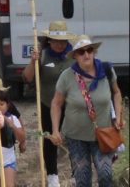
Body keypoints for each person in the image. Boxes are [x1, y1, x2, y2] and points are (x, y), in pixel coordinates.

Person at [50, 36, 123, 187]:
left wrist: (118, 117)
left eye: (89, 50)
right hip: (76, 137)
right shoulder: (67, 76)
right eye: (81, 52)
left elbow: (116, 93)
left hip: (103, 134)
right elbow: (56, 104)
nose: (86, 55)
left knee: (105, 175)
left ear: (94, 52)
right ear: (75, 56)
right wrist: (55, 130)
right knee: (82, 179)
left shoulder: (107, 71)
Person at [21, 20, 76, 186]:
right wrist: (33, 62)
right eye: (56, 41)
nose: (59, 44)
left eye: (62, 41)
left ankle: (76, 173)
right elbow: (27, 78)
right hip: (47, 103)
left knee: (74, 139)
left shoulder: (73, 56)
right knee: (50, 138)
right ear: (50, 40)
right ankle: (52, 175)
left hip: (71, 105)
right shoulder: (42, 55)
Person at [0, 89, 25, 187]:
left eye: (1, 104)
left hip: (8, 160)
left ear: (7, 105)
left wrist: (8, 122)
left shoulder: (13, 118)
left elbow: (21, 137)